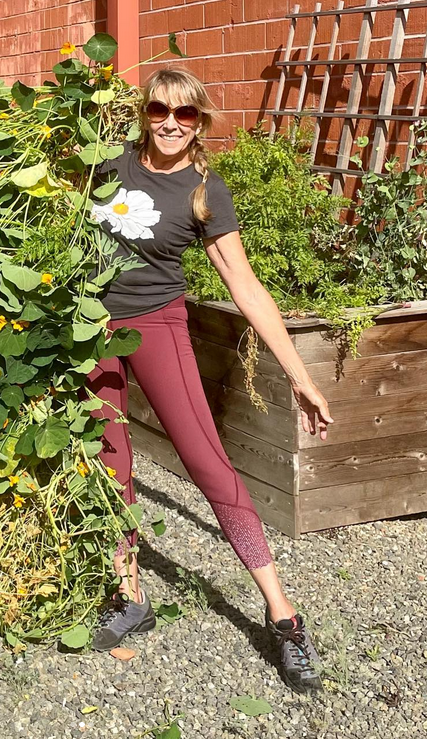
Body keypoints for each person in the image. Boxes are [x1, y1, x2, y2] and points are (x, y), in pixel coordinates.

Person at [84, 68, 333, 694]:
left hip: (156, 326)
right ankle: (129, 591)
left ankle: (283, 615)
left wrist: (299, 376)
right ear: (144, 112)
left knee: (207, 462)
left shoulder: (204, 192)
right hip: (86, 326)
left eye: (186, 114)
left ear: (201, 121)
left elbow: (245, 287)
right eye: (161, 109)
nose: (171, 122)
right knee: (109, 459)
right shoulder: (104, 166)